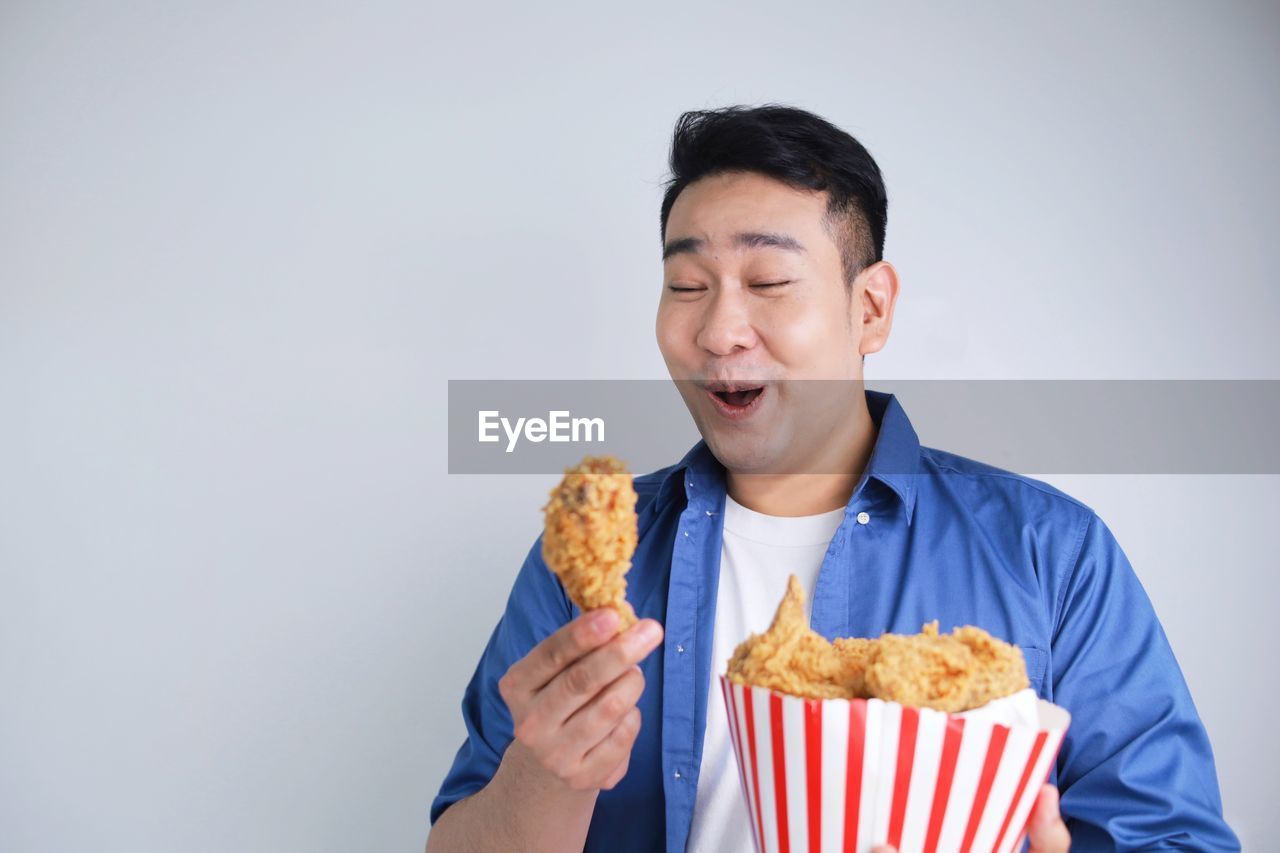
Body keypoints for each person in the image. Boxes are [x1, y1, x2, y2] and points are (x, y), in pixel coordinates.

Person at [425, 104, 1238, 852]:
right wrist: (545, 773)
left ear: (871, 309)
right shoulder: (590, 572)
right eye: (686, 286)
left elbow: (1176, 835)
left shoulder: (1051, 552)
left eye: (770, 283)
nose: (718, 329)